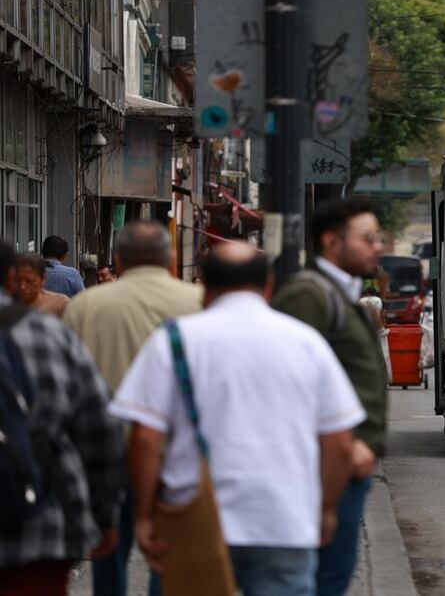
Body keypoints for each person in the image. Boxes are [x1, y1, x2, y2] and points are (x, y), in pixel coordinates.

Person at [110, 242, 366, 594]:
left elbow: (145, 438)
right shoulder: (307, 343)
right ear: (269, 286)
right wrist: (326, 509)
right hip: (283, 520)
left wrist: (142, 516)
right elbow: (339, 442)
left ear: (204, 286)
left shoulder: (173, 340)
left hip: (193, 520)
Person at [62, 221, 203, 596]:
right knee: (167, 549)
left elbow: (68, 382)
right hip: (176, 450)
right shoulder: (197, 302)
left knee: (108, 547)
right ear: (170, 258)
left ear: (119, 260)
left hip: (102, 450)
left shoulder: (86, 304)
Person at [272, 197, 388, 596]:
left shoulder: (339, 294)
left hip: (342, 466)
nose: (379, 247)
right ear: (331, 242)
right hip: (324, 466)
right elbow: (286, 385)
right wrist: (346, 447)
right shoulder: (310, 295)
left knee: (332, 577)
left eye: (379, 238)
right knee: (322, 581)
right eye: (368, 238)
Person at [0, 241, 125, 594]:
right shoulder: (49, 336)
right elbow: (98, 428)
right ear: (11, 278)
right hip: (38, 525)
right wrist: (104, 513)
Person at [12, 252, 69, 317]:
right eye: (17, 280)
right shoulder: (6, 304)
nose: (22, 287)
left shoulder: (60, 304)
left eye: (30, 281)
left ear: (43, 279)